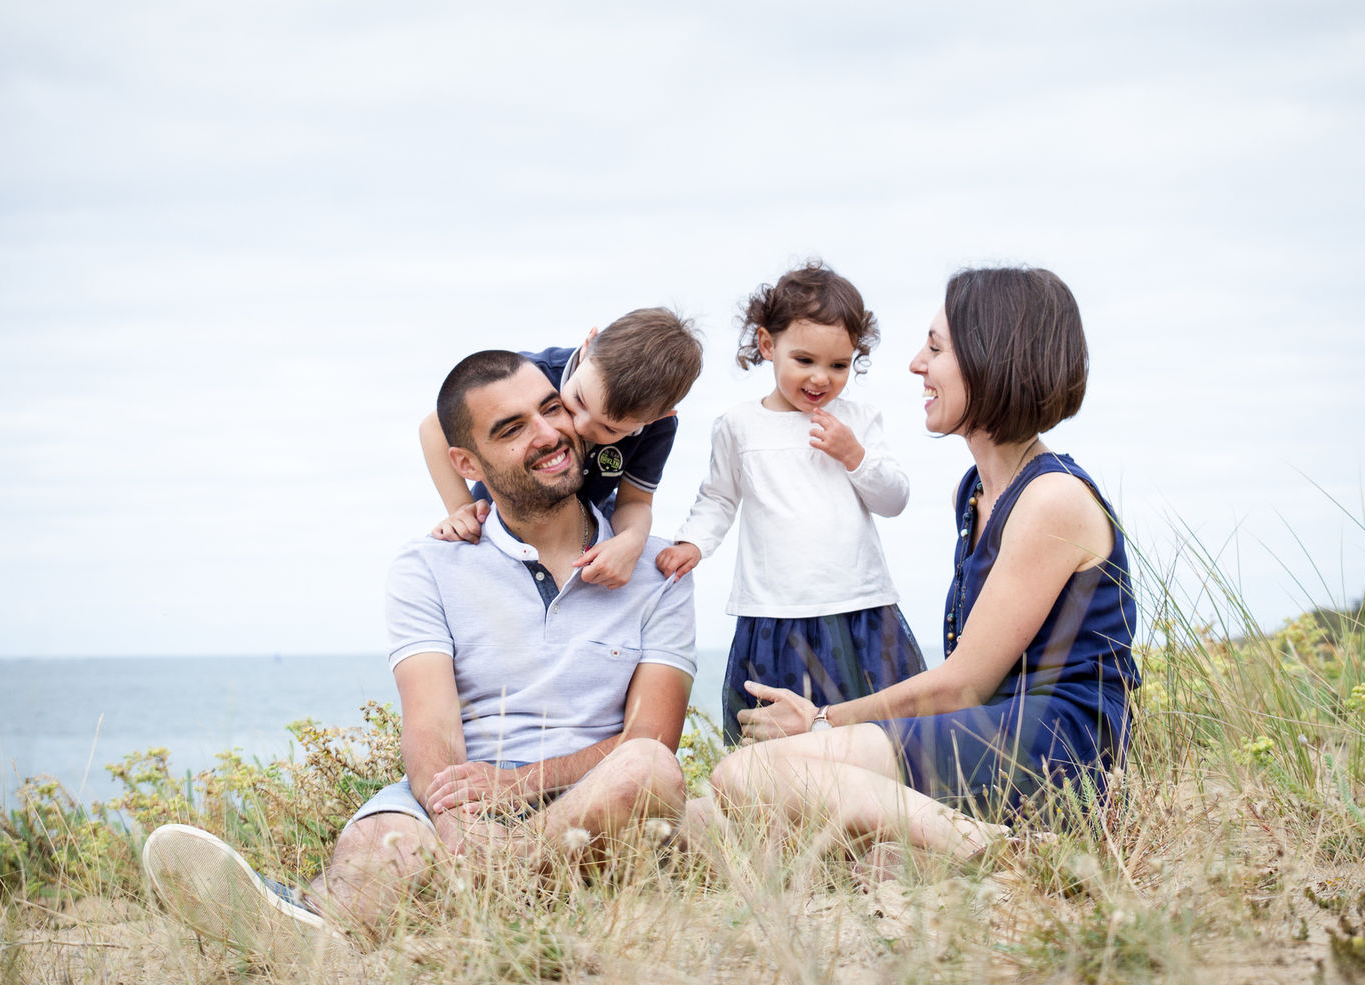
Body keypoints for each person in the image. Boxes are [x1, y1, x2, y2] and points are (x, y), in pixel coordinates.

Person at [144, 350, 695, 945]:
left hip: (594, 795)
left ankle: (459, 896)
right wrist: (460, 824)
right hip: (464, 799)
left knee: (649, 772)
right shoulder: (427, 566)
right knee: (384, 846)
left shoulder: (657, 565)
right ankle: (307, 931)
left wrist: (517, 786)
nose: (550, 434)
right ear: (466, 462)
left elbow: (650, 738)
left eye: (552, 408)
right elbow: (432, 728)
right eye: (511, 429)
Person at [708, 266, 1140, 863]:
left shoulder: (1052, 498)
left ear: (992, 359)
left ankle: (1007, 854)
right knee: (721, 810)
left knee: (746, 777)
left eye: (935, 348)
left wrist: (821, 722)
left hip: (1054, 744)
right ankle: (936, 851)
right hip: (991, 730)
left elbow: (964, 682)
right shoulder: (977, 490)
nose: (916, 364)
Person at [657, 262, 925, 745]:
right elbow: (718, 497)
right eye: (804, 360)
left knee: (868, 733)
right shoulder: (739, 425)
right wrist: (692, 542)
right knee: (773, 743)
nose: (821, 378)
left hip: (858, 606)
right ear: (767, 346)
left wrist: (854, 455)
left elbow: (894, 499)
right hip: (773, 613)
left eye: (839, 365)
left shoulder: (859, 420)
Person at [419, 308, 703, 590]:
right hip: (501, 520)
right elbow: (434, 428)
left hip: (581, 538)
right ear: (587, 345)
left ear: (656, 418)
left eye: (610, 430)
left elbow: (635, 501)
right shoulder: (529, 377)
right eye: (577, 400)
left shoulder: (656, 429)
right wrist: (461, 508)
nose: (578, 427)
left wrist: (632, 539)